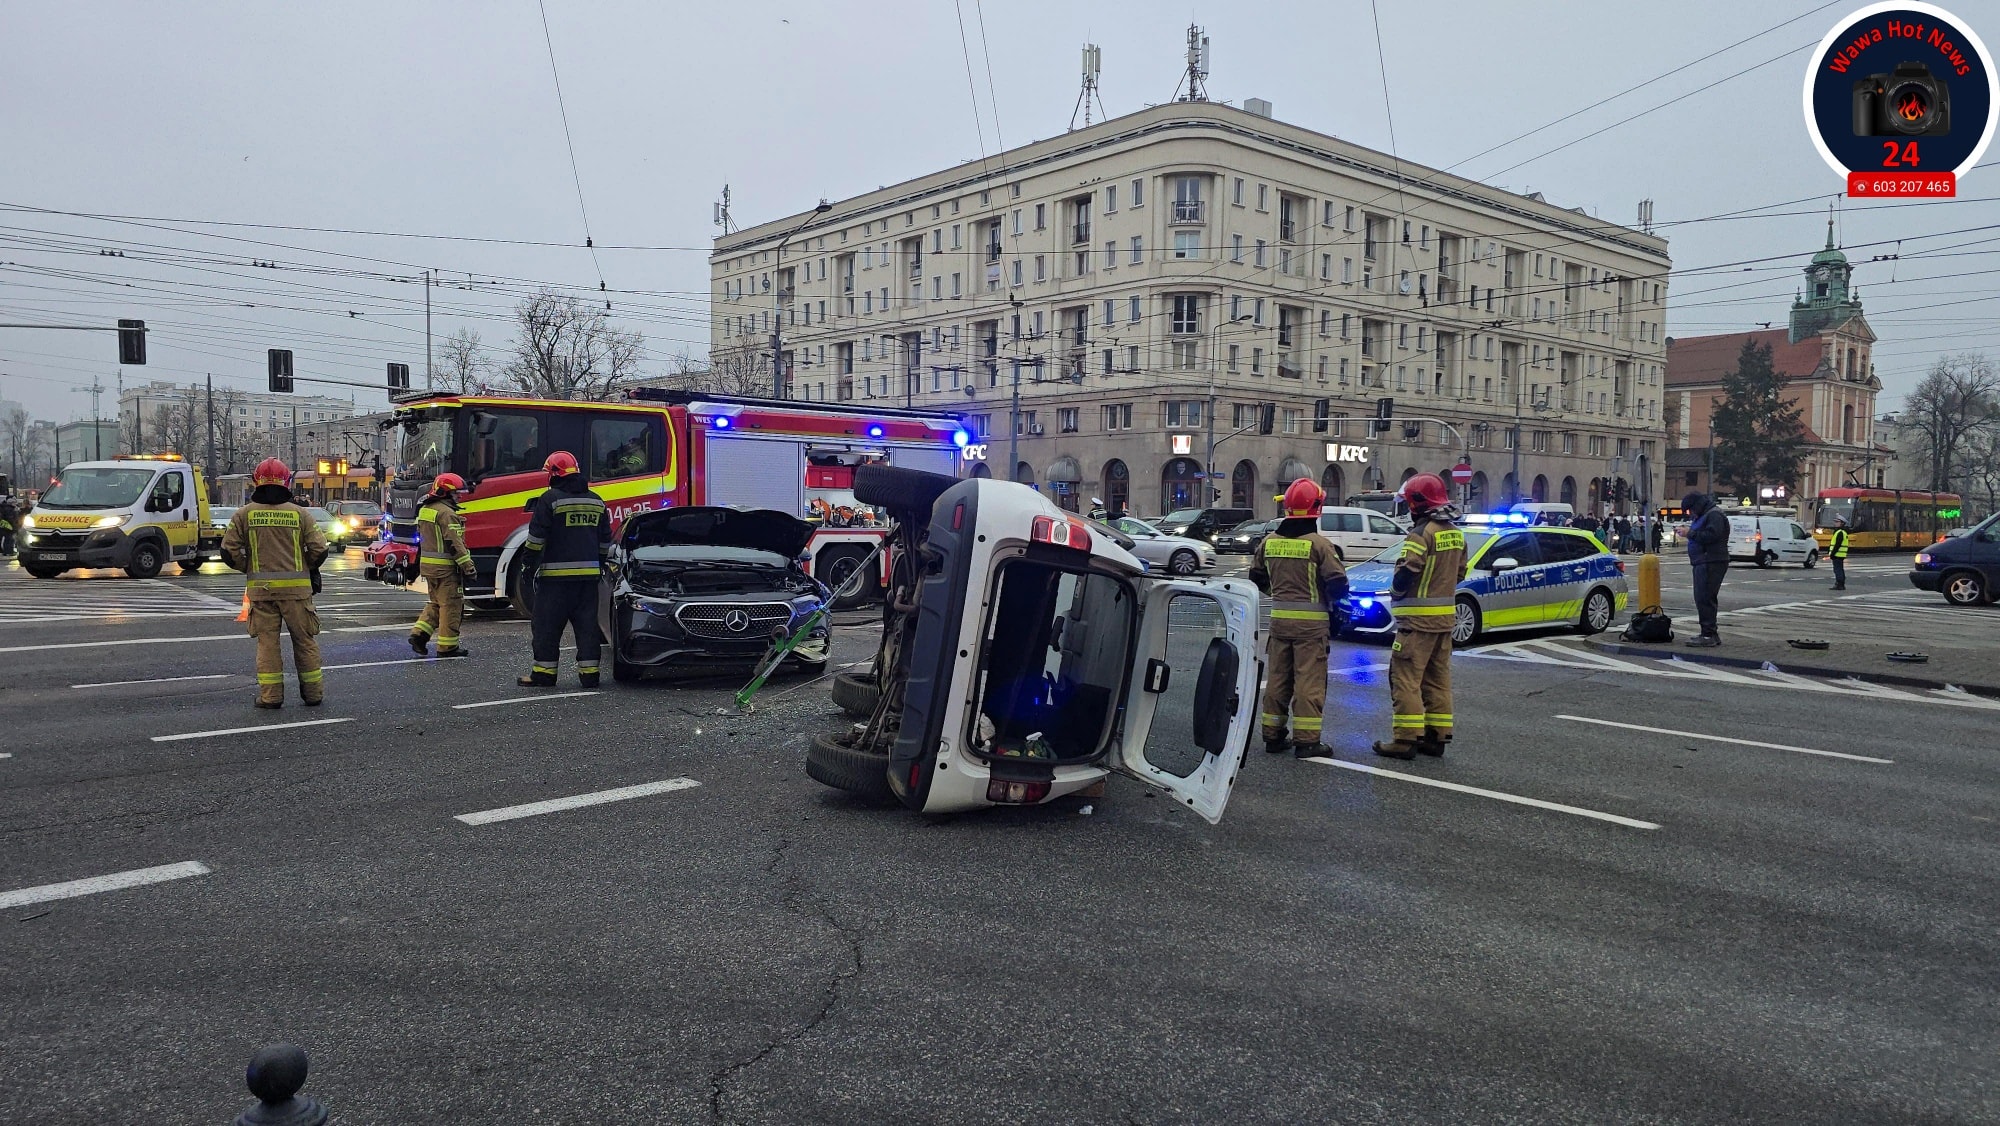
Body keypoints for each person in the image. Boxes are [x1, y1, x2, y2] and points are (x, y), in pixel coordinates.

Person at [1248, 478, 1348, 758]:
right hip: (1311, 628)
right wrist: (1334, 608)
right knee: (1308, 682)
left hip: (1279, 624)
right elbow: (1338, 583)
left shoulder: (1269, 542)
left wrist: (1279, 594)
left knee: (1278, 679)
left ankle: (1273, 735)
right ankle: (1307, 741)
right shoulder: (1320, 545)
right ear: (1317, 508)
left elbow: (1256, 576)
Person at [221, 458, 328, 709]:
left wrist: (248, 567)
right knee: (305, 642)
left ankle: (271, 697)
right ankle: (313, 694)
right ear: (286, 481)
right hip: (297, 593)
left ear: (256, 481)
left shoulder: (244, 514)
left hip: (262, 593)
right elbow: (319, 549)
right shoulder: (300, 514)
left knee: (267, 644)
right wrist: (306, 568)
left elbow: (228, 551)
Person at [1374, 473, 1468, 760]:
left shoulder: (1420, 534)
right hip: (1444, 622)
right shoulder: (1455, 533)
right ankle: (1436, 737)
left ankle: (1405, 739)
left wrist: (1395, 592)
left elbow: (1407, 571)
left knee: (1405, 679)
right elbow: (1460, 573)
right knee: (1437, 680)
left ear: (1417, 502)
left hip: (1415, 624)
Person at [518, 451, 611, 688]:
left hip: (555, 581)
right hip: (588, 581)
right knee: (587, 627)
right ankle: (590, 675)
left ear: (554, 474)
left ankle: (544, 674)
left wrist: (528, 565)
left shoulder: (549, 499)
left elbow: (536, 539)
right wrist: (598, 565)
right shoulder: (596, 501)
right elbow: (604, 541)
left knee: (546, 627)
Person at [409, 472, 477, 658]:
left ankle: (419, 635)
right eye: (456, 493)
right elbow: (455, 544)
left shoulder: (426, 510)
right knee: (451, 606)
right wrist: (469, 567)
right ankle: (448, 647)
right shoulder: (447, 514)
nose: (459, 497)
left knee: (436, 603)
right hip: (446, 569)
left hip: (429, 568)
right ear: (445, 493)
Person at [1683, 491, 1730, 647]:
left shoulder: (1713, 515)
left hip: (1710, 561)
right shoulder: (1708, 514)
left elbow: (1711, 536)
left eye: (1690, 510)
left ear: (1696, 505)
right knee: (1704, 597)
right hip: (1705, 561)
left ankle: (1708, 634)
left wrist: (1690, 533)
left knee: (1704, 597)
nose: (1690, 514)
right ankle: (1709, 633)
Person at [1828, 514, 1850, 590]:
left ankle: (1839, 584)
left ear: (1842, 523)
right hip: (1840, 554)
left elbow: (1837, 544)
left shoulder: (1840, 532)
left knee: (1837, 570)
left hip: (1837, 554)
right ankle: (1841, 584)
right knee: (1840, 569)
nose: (1835, 523)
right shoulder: (1842, 532)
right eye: (1835, 522)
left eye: (1837, 522)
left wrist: (1832, 554)